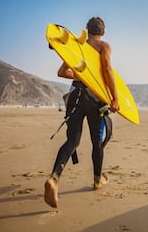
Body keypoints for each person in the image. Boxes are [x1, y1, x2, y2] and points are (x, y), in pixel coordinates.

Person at [44, 17, 120, 208]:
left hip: (76, 95)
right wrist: (115, 98)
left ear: (88, 29)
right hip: (95, 98)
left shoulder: (79, 47)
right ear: (103, 31)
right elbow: (107, 69)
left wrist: (79, 75)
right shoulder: (103, 46)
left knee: (72, 140)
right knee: (97, 142)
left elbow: (63, 73)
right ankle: (97, 180)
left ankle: (54, 178)